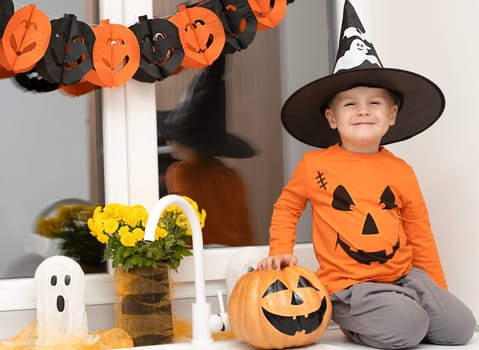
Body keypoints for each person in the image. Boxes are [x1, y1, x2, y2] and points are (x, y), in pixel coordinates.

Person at [257, 1, 476, 349]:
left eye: (374, 103)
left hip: (406, 278)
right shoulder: (316, 166)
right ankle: (359, 322)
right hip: (349, 286)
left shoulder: (400, 171)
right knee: (408, 328)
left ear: (392, 115)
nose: (362, 110)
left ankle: (407, 309)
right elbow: (287, 208)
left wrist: (437, 291)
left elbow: (420, 232)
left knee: (461, 328)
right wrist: (280, 250)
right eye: (350, 104)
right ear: (332, 118)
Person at [157, 54, 257, 247]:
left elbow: (181, 230)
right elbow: (247, 236)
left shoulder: (180, 172)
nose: (171, 141)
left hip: (201, 263)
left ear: (188, 142)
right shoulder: (233, 177)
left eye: (175, 136)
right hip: (234, 260)